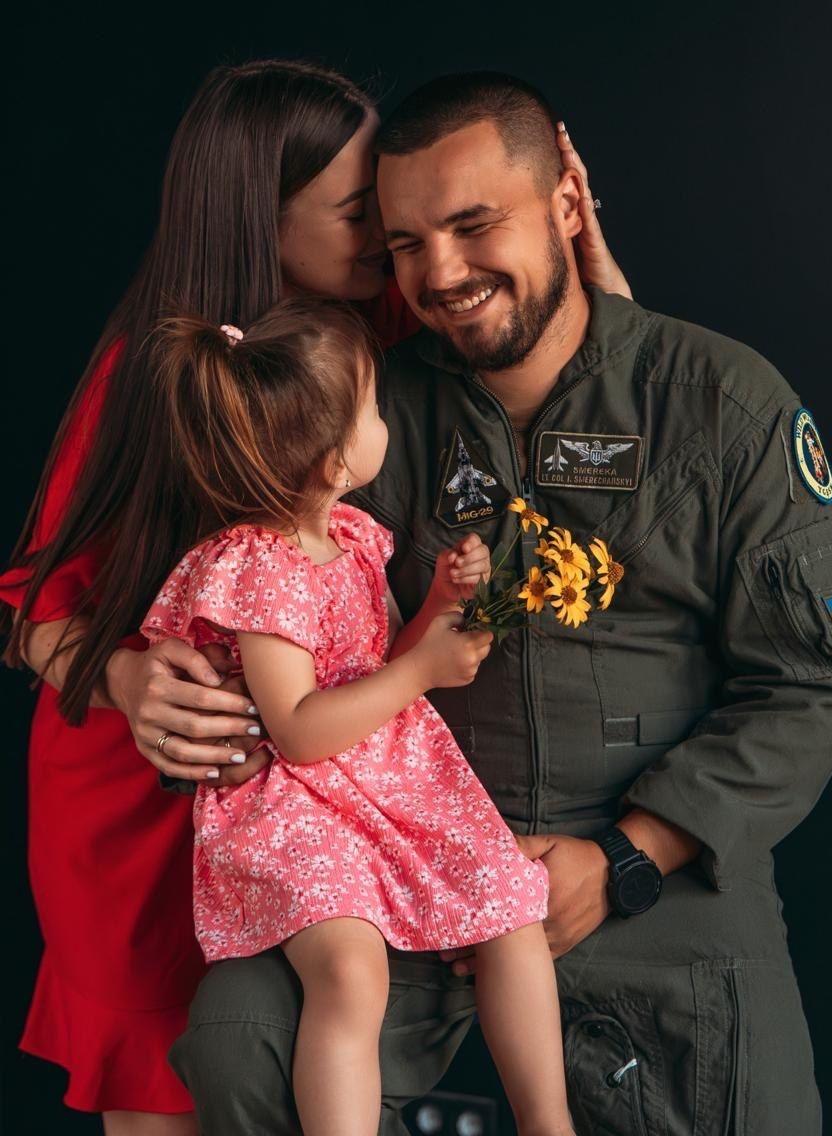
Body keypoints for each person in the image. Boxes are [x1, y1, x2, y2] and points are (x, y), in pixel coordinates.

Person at [171, 73, 832, 1135]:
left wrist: (627, 854)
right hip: (405, 860)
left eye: (473, 223)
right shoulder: (361, 415)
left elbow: (811, 682)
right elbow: (248, 597)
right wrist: (153, 677)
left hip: (657, 885)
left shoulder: (723, 406)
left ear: (567, 208)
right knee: (239, 1039)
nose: (439, 272)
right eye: (404, 243)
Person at [0, 59, 627, 1132]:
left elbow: (600, 366)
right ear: (261, 218)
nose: (391, 235)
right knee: (169, 1084)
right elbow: (24, 605)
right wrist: (119, 673)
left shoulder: (372, 317)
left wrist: (579, 240)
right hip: (148, 790)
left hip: (329, 784)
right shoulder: (156, 374)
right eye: (359, 212)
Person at [138, 301, 577, 1136]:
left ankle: (548, 1120)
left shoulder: (351, 535)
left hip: (389, 776)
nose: (385, 420)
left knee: (511, 905)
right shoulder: (259, 568)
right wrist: (420, 668)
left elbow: (377, 662)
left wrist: (441, 608)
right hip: (297, 804)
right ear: (337, 459)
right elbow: (298, 728)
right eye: (374, 409)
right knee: (351, 968)